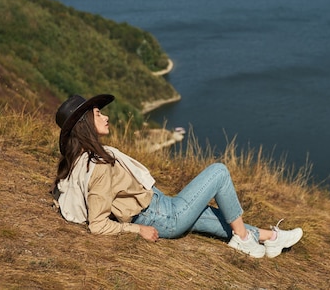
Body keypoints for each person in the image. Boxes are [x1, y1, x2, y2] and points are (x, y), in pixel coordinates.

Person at [52, 94, 303, 258]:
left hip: (160, 207)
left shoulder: (80, 161)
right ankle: (244, 238)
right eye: (98, 114)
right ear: (85, 123)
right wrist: (137, 230)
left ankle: (272, 239)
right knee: (219, 172)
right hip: (162, 216)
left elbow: (73, 195)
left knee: (215, 217)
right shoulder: (98, 165)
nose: (105, 116)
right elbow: (97, 225)